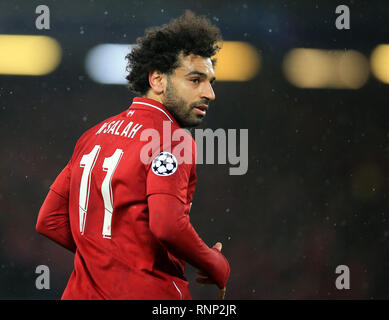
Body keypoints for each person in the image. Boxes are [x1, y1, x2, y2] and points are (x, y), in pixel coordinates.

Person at [36, 10, 230, 300]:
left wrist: (106, 258)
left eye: (210, 81)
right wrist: (214, 263)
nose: (209, 93)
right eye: (196, 80)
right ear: (157, 80)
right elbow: (167, 226)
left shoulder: (93, 135)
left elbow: (49, 220)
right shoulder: (172, 138)